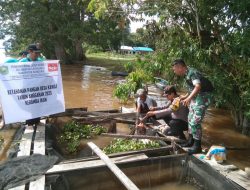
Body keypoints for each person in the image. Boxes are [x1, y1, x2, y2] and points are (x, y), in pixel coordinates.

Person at [172, 59, 213, 154]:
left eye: (175, 69)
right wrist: (186, 96)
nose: (174, 71)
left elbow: (198, 86)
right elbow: (192, 88)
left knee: (195, 122)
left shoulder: (192, 73)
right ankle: (191, 141)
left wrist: (189, 99)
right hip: (197, 97)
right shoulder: (187, 74)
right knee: (190, 119)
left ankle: (197, 146)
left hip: (204, 97)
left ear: (180, 67)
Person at [19, 44, 44, 125]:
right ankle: (29, 124)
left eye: (38, 53)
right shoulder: (22, 62)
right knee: (29, 106)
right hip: (26, 89)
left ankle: (37, 121)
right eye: (35, 53)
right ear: (30, 51)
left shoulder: (40, 61)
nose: (37, 54)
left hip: (37, 88)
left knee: (38, 105)